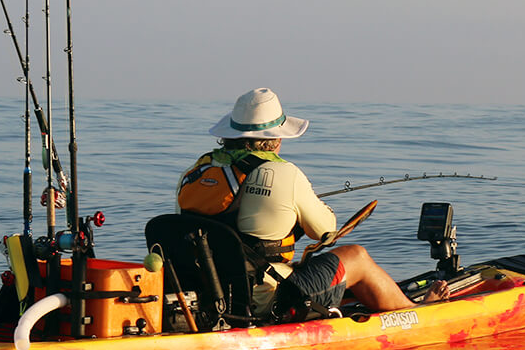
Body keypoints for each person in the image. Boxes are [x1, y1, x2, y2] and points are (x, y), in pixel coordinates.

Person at [177, 88, 445, 320]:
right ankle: (415, 312)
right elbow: (326, 231)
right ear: (277, 139)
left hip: (207, 296)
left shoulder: (196, 173)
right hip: (266, 301)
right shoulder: (285, 174)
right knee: (357, 257)